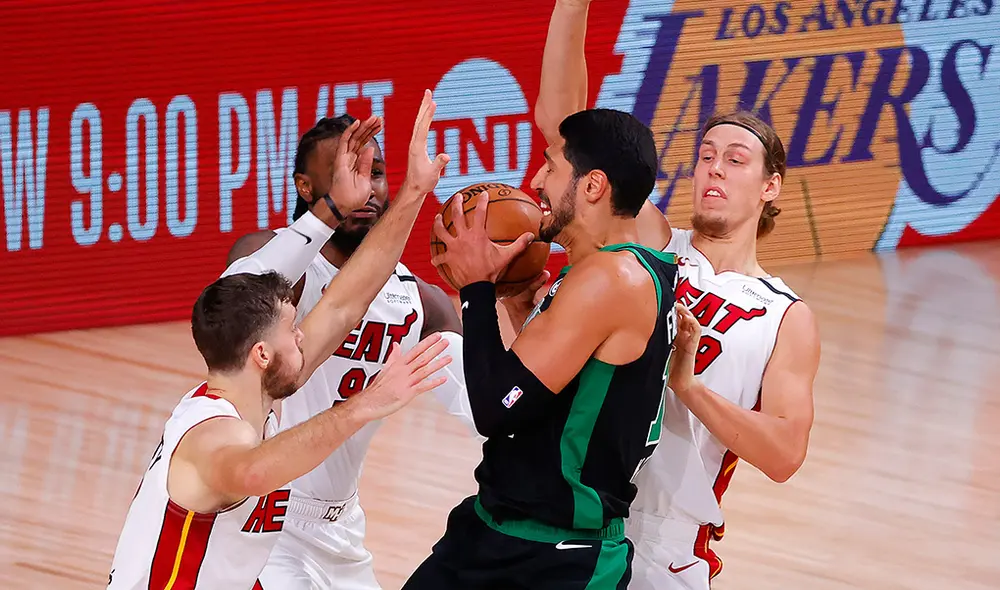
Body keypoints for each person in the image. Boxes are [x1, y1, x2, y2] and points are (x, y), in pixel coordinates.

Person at [105, 91, 453, 590]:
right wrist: (367, 403)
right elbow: (249, 474)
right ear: (262, 354)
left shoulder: (252, 393)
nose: (306, 335)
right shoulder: (214, 435)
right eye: (294, 331)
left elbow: (345, 303)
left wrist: (414, 192)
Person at [527, 2, 822, 588]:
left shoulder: (785, 316)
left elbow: (786, 454)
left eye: (735, 161)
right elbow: (570, 129)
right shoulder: (655, 242)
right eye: (706, 156)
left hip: (670, 549)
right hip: (577, 513)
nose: (714, 168)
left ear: (770, 187)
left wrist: (687, 386)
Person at [222, 102, 514, 587]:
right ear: (306, 187)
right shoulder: (268, 260)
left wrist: (515, 301)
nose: (368, 187)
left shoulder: (419, 303)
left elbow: (493, 409)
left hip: (340, 527)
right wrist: (331, 211)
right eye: (347, 171)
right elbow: (274, 290)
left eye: (376, 172)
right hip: (259, 516)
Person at [402, 105, 680, 590]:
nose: (535, 181)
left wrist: (476, 291)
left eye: (552, 168)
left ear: (593, 186)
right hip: (494, 528)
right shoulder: (607, 272)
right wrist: (513, 309)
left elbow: (495, 410)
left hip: (558, 560)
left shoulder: (611, 279)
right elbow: (534, 399)